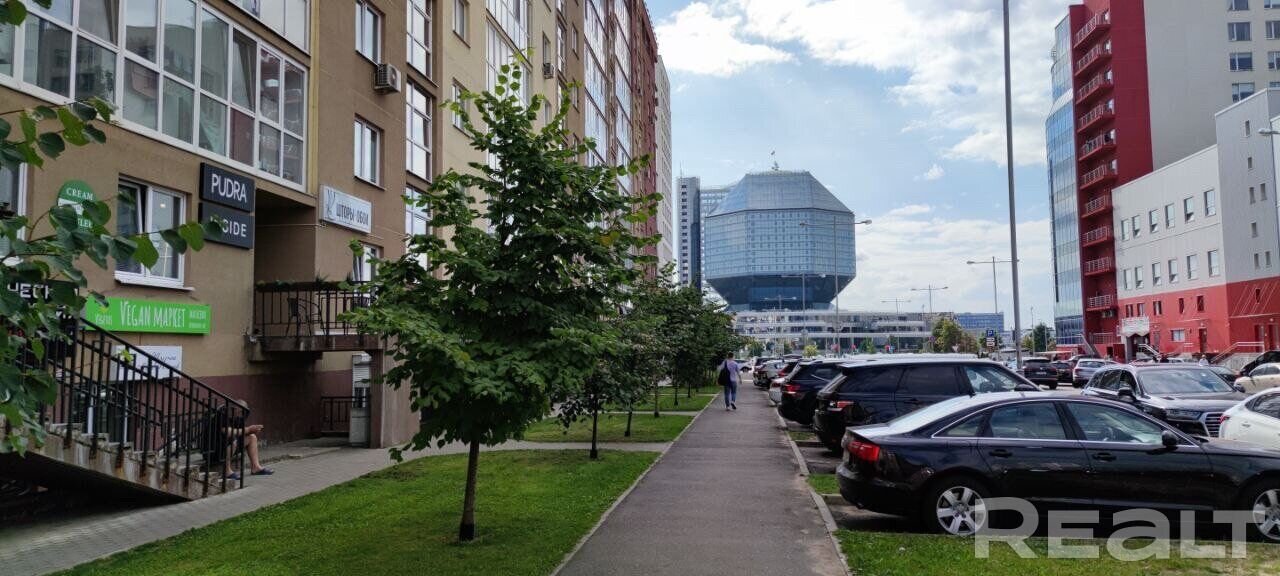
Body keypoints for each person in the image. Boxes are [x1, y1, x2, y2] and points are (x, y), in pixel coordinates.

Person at [213, 400, 274, 480]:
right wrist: (248, 429)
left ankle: (255, 467)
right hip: (214, 448)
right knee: (233, 441)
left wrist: (252, 430)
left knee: (252, 437)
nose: (241, 415)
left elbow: (241, 432)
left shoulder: (237, 417)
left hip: (227, 446)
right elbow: (227, 432)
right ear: (235, 408)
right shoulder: (222, 413)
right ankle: (227, 471)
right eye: (240, 412)